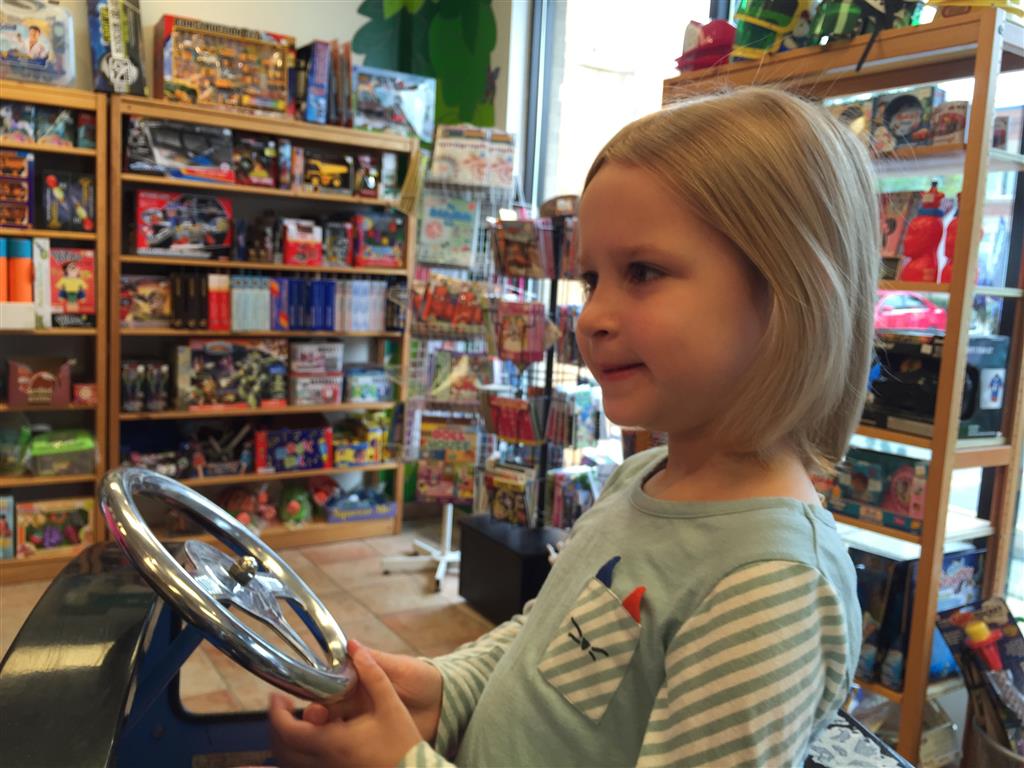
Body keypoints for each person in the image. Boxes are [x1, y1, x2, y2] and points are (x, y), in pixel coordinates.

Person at [268, 86, 879, 767]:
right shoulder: (643, 479)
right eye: (592, 279)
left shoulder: (771, 587)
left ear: (791, 293)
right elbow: (550, 647)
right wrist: (445, 689)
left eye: (642, 272)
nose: (590, 318)